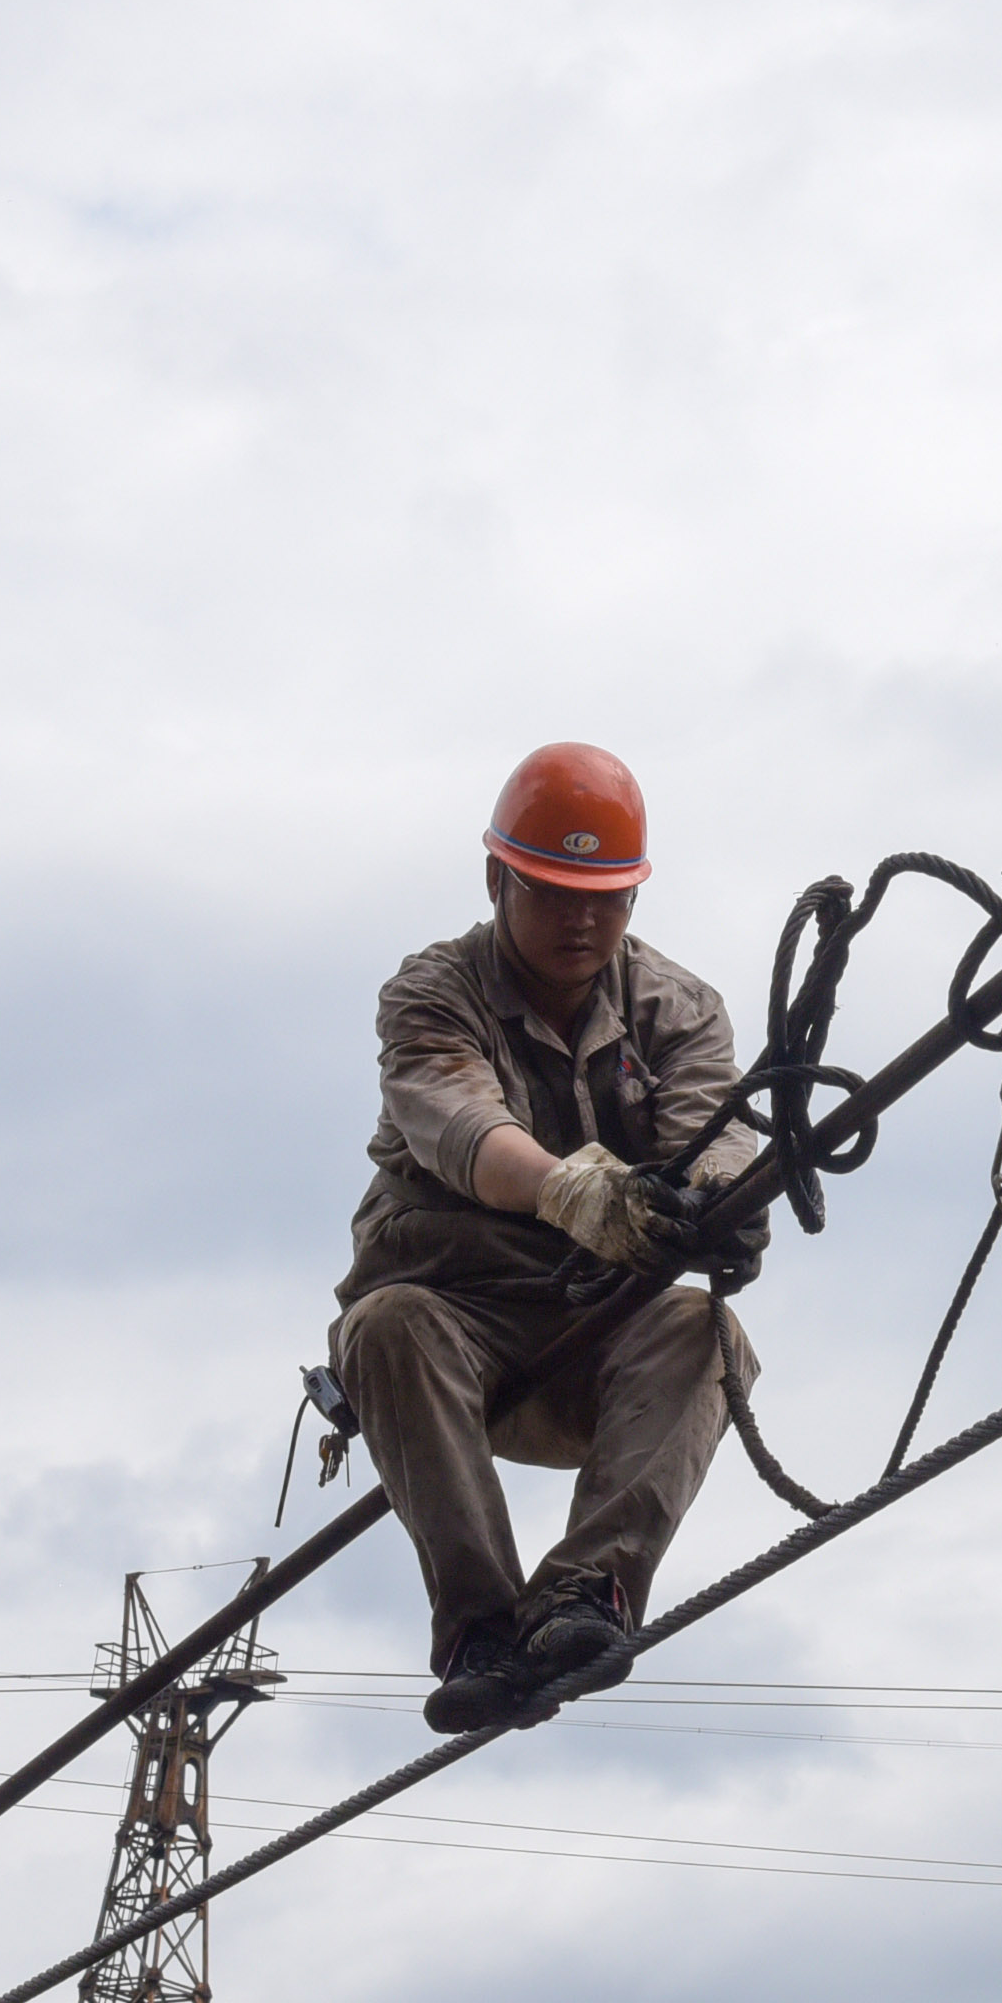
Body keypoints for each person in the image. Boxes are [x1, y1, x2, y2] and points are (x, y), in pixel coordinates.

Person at [329, 743, 767, 1734]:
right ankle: (482, 1631)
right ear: (497, 880)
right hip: (451, 1337)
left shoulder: (679, 1011)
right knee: (387, 1325)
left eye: (607, 898)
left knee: (709, 1333)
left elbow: (718, 1130)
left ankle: (582, 1603)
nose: (583, 920)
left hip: (593, 1342)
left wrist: (723, 1200)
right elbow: (462, 1127)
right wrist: (574, 1191)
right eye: (555, 892)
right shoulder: (433, 993)